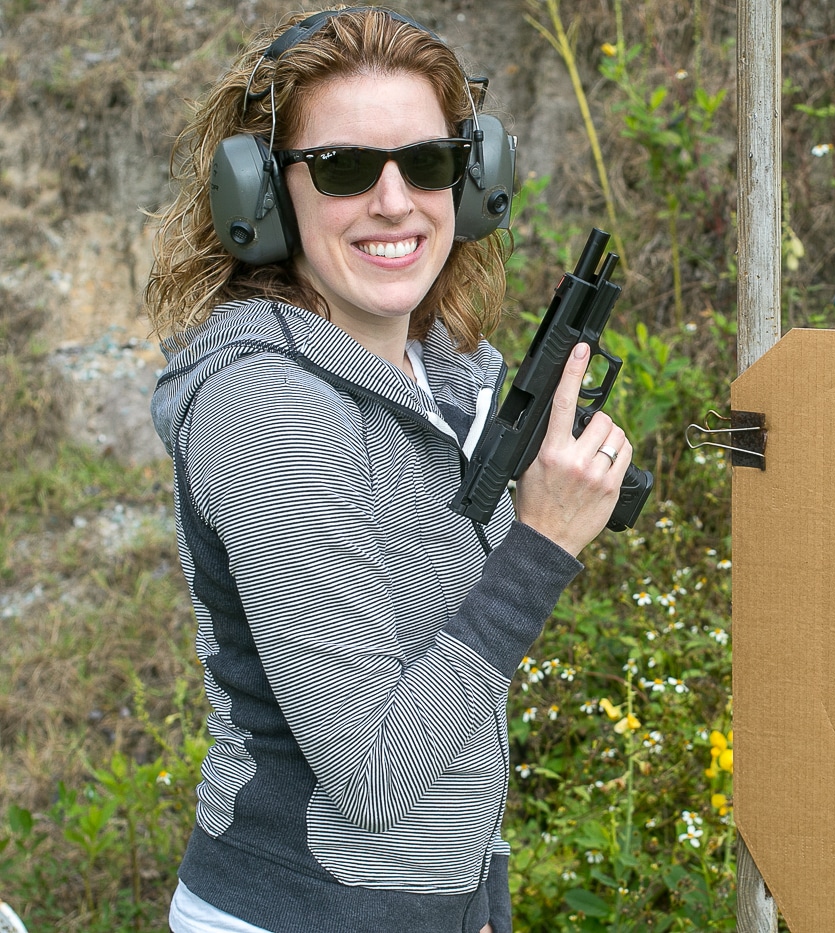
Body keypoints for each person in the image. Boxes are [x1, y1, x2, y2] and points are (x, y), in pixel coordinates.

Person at [145, 7, 631, 932]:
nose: (396, 201)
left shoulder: (443, 375)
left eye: (428, 161)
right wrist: (539, 546)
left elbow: (458, 700)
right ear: (265, 193)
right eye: (344, 168)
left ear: (473, 178)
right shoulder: (270, 408)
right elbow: (372, 769)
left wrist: (476, 895)